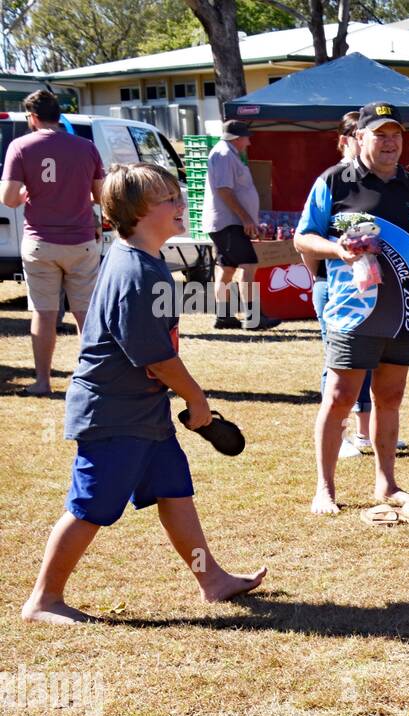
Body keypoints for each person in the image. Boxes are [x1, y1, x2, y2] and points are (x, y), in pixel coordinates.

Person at [21, 163, 266, 624]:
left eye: (178, 196)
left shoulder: (146, 261)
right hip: (113, 415)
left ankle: (210, 579)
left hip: (144, 411)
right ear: (135, 213)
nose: (180, 205)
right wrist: (196, 399)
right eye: (168, 200)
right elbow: (154, 356)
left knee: (175, 492)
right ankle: (43, 599)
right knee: (89, 507)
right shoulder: (136, 271)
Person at [295, 102, 409, 517]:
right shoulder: (334, 181)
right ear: (359, 138)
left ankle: (387, 483)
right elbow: (303, 239)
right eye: (379, 134)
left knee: (391, 395)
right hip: (352, 310)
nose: (389, 143)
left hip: (406, 312)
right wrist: (338, 250)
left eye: (395, 135)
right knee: (341, 394)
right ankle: (324, 489)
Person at [0, 90, 104, 396]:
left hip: (40, 242)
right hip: (81, 240)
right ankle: (92, 379)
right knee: (85, 313)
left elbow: (9, 198)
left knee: (44, 313)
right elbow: (101, 197)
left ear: (32, 117)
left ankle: (43, 381)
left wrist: (28, 194)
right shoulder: (86, 147)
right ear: (59, 115)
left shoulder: (20, 146)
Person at [305, 112, 376, 459]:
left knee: (367, 366)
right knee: (337, 368)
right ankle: (341, 435)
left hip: (371, 294)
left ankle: (363, 433)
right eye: (352, 134)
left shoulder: (376, 182)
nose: (357, 140)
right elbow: (305, 241)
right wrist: (322, 274)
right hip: (334, 289)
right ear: (345, 139)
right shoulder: (333, 181)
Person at [203, 120, 272, 330]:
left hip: (226, 222)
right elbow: (224, 190)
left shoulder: (227, 153)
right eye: (247, 137)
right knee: (249, 265)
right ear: (238, 138)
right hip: (229, 222)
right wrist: (246, 219)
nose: (249, 142)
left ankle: (224, 316)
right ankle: (254, 317)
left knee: (227, 268)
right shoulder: (224, 155)